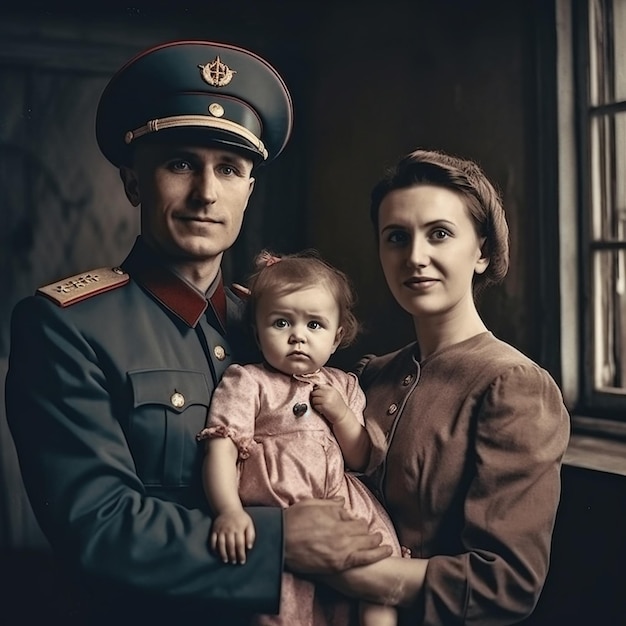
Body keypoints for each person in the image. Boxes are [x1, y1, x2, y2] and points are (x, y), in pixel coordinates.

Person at [4, 41, 391, 626]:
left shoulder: (269, 323)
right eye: (180, 163)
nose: (206, 193)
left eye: (229, 170)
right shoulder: (66, 326)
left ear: (248, 192)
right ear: (135, 183)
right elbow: (97, 527)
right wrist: (277, 539)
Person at [327, 148, 571, 625]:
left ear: (481, 251)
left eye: (439, 234)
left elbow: (506, 581)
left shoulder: (513, 386)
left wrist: (353, 576)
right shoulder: (371, 375)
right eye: (396, 237)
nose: (415, 257)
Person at [196, 249, 403, 626]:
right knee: (286, 603)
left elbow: (358, 458)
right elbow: (222, 448)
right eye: (281, 323)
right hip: (282, 511)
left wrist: (340, 414)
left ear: (337, 336)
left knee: (380, 573)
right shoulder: (248, 381)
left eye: (314, 325)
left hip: (343, 506)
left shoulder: (345, 385)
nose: (297, 337)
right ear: (257, 333)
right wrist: (229, 510)